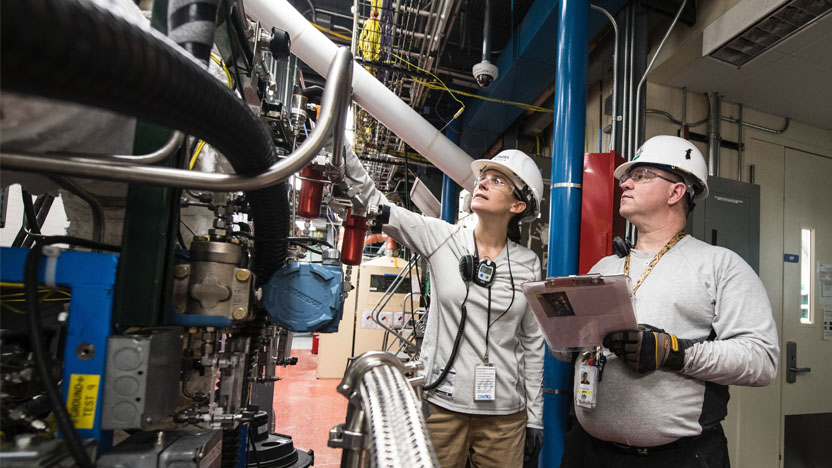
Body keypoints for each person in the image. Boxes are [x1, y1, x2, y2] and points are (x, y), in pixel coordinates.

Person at [559, 135, 779, 468]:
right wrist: (566, 335)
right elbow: (567, 352)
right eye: (627, 177)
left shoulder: (720, 265)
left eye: (642, 175)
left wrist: (673, 352)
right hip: (587, 452)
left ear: (676, 192)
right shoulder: (605, 267)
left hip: (677, 458)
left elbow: (762, 360)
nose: (625, 184)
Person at [344, 147, 546, 468]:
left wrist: (535, 417)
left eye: (497, 181)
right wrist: (337, 140)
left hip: (505, 418)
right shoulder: (442, 238)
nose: (482, 183)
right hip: (442, 408)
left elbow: (533, 345)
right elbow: (375, 203)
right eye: (483, 177)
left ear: (517, 205)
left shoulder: (527, 263)